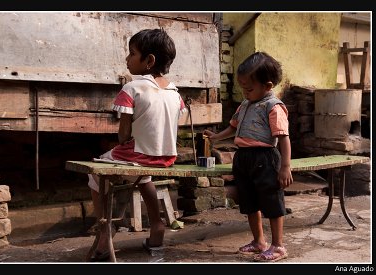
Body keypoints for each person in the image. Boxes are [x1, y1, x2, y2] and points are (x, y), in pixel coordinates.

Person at [87, 28, 186, 261]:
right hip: (166, 157)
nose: (127, 59)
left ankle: (104, 230)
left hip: (137, 154)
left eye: (132, 53)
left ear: (149, 61)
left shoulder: (131, 88)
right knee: (144, 177)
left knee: (94, 174)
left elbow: (123, 136)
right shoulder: (175, 92)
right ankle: (157, 224)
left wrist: (126, 140)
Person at [204, 52, 293, 262]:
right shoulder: (245, 104)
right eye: (242, 87)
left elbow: (284, 137)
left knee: (272, 201)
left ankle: (278, 246)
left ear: (268, 86)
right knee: (249, 202)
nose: (245, 92)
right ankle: (259, 241)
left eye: (249, 88)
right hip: (243, 158)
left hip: (265, 158)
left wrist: (285, 166)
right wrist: (216, 137)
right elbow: (233, 128)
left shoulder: (274, 107)